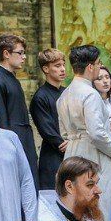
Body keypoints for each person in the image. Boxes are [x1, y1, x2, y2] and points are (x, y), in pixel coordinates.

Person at [58, 45, 111, 221]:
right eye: (97, 64)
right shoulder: (91, 95)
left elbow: (64, 132)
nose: (98, 66)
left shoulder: (63, 95)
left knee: (77, 208)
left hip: (72, 153)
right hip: (93, 156)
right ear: (90, 67)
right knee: (99, 208)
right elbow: (96, 134)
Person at [0, 33, 37, 178]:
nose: (24, 57)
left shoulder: (12, 79)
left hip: (23, 140)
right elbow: (0, 124)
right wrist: (10, 150)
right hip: (13, 146)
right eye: (20, 53)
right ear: (6, 54)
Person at [29, 48, 67, 191]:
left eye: (63, 65)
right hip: (53, 156)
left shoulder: (67, 92)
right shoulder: (40, 97)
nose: (63, 69)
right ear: (46, 68)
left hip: (72, 151)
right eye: (57, 66)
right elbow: (47, 129)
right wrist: (64, 144)